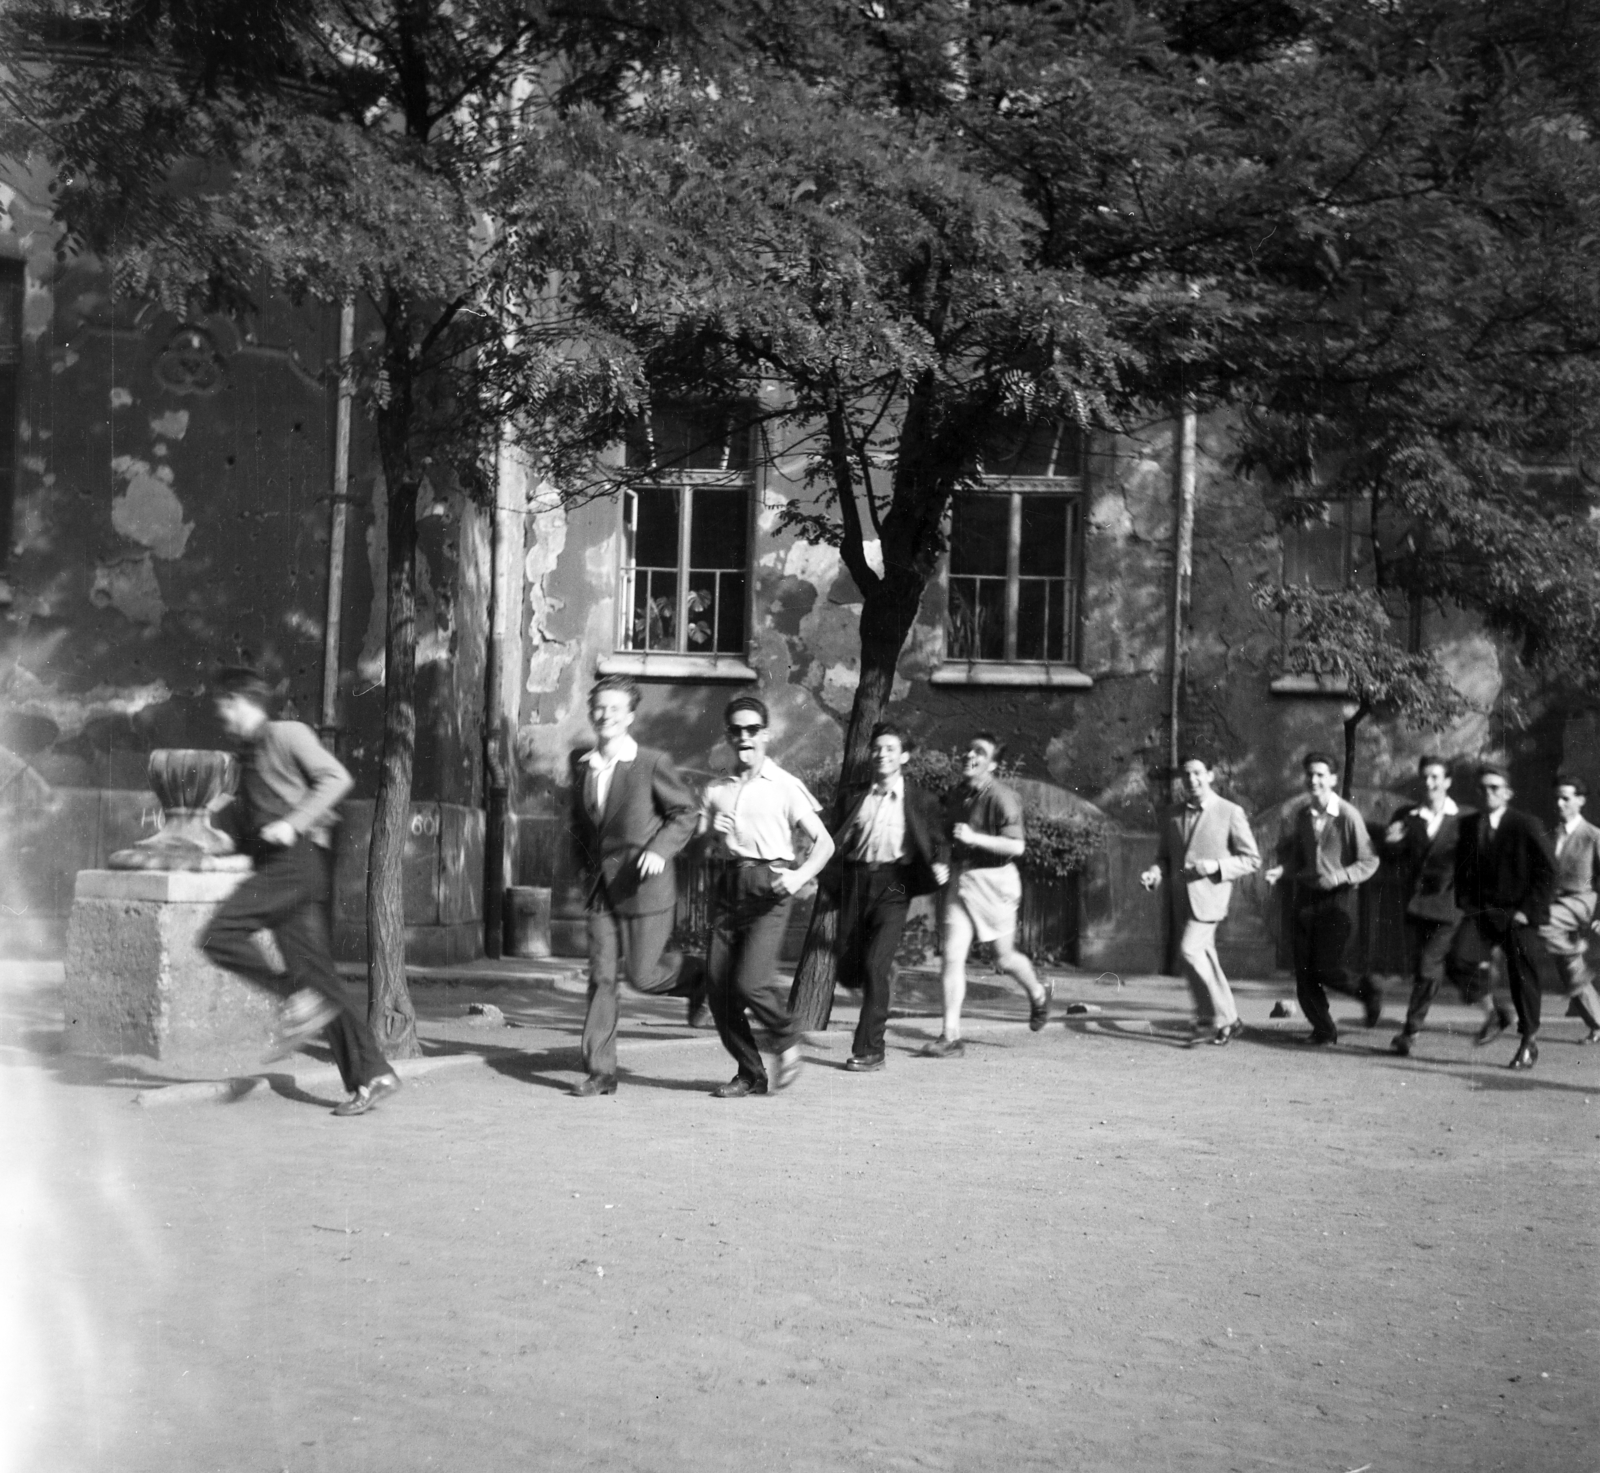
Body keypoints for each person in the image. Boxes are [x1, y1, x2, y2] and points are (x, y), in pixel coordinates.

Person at [201, 667, 400, 1117]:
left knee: (218, 934)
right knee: (320, 979)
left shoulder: (287, 734)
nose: (222, 717)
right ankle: (374, 1075)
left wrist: (293, 822)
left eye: (224, 707)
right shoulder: (246, 756)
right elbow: (254, 824)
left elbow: (336, 779)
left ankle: (294, 998)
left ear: (241, 701)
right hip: (281, 870)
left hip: (297, 866)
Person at [567, 674, 705, 1098]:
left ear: (630, 715)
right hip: (600, 892)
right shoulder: (580, 764)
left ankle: (701, 978)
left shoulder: (651, 762)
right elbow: (580, 826)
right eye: (599, 707)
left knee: (643, 977)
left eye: (614, 708)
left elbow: (685, 812)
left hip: (644, 887)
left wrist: (660, 849)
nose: (604, 715)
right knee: (602, 977)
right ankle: (601, 1072)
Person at [700, 695, 835, 1098]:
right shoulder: (716, 789)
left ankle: (788, 1040)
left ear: (766, 735)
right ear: (728, 735)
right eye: (737, 730)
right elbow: (704, 850)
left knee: (751, 983)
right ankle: (750, 1072)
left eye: (752, 730)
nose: (744, 737)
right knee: (719, 991)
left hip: (770, 887)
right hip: (728, 888)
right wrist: (710, 831)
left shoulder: (784, 786)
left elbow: (825, 844)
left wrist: (799, 877)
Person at [823, 721, 951, 1072]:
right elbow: (831, 836)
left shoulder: (920, 798)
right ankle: (878, 972)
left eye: (890, 749)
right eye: (877, 748)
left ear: (903, 756)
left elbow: (938, 838)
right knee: (848, 966)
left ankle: (870, 1048)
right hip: (855, 879)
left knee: (874, 966)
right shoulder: (854, 795)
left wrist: (940, 862)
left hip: (895, 884)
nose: (882, 754)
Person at [922, 732, 1051, 1058]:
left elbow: (1017, 846)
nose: (970, 756)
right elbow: (945, 838)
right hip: (961, 880)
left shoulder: (1002, 797)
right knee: (951, 957)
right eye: (968, 749)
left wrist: (975, 838)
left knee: (1003, 959)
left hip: (995, 880)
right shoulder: (956, 795)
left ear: (992, 763)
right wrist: (940, 861)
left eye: (979, 752)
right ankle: (950, 1036)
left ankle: (1037, 993)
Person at [1140, 752, 1261, 1046]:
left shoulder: (1230, 812)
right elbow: (1165, 857)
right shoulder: (1172, 814)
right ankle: (1215, 1018)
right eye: (1186, 775)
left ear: (1210, 775)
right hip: (1183, 898)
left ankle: (1222, 1018)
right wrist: (1155, 873)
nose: (1191, 780)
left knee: (1189, 951)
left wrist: (1216, 867)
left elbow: (1252, 860)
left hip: (1211, 898)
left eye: (1197, 773)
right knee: (1202, 957)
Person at [1263, 751, 1381, 1046]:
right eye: (1310, 775)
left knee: (1326, 968)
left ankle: (1366, 990)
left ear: (1332, 779)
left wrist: (1340, 877)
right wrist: (1281, 870)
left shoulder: (1347, 816)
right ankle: (1323, 1029)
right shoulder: (1303, 815)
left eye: (1320, 775)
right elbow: (1299, 860)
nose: (1314, 780)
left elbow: (1369, 861)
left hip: (1337, 901)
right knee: (1303, 970)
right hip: (1305, 898)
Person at [1454, 763, 1558, 1069]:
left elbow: (1549, 871)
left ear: (1508, 793)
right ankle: (1496, 1014)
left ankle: (1529, 1042)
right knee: (1458, 959)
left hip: (1518, 913)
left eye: (1495, 788)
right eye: (1482, 788)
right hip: (1484, 911)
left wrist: (1528, 911)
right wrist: (1467, 903)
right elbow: (1464, 869)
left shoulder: (1525, 824)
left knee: (1522, 976)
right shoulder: (1469, 824)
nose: (1488, 793)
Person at [1382, 756, 1484, 1057]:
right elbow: (1393, 858)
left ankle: (1410, 1031)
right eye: (1425, 777)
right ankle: (1493, 1011)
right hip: (1415, 906)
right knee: (1426, 968)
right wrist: (1390, 843)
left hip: (1450, 904)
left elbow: (1477, 864)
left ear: (1448, 781)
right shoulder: (1407, 815)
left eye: (1435, 777)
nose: (1429, 783)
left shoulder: (1466, 818)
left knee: (1429, 965)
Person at [1537, 776, 1600, 1044]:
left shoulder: (1593, 835)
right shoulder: (1550, 836)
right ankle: (1598, 1023)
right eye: (1557, 798)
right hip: (1555, 902)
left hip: (1581, 902)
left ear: (1581, 800)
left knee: (1542, 923)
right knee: (1569, 969)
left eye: (1566, 798)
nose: (1560, 803)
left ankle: (1574, 951)